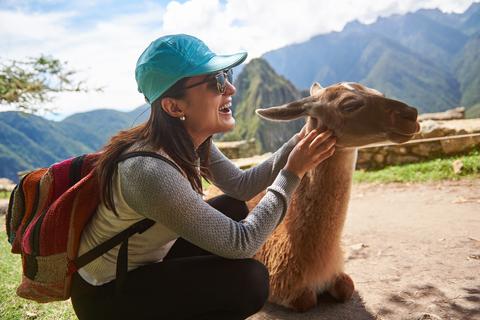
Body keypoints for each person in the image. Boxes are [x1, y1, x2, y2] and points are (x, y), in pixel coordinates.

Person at [70, 34, 336, 320]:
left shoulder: (190, 141)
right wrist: (292, 172)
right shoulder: (149, 171)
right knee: (249, 281)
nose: (231, 88)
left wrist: (298, 140)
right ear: (174, 107)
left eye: (226, 75)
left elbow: (241, 186)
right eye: (217, 82)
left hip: (146, 264)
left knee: (234, 206)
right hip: (107, 295)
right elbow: (242, 244)